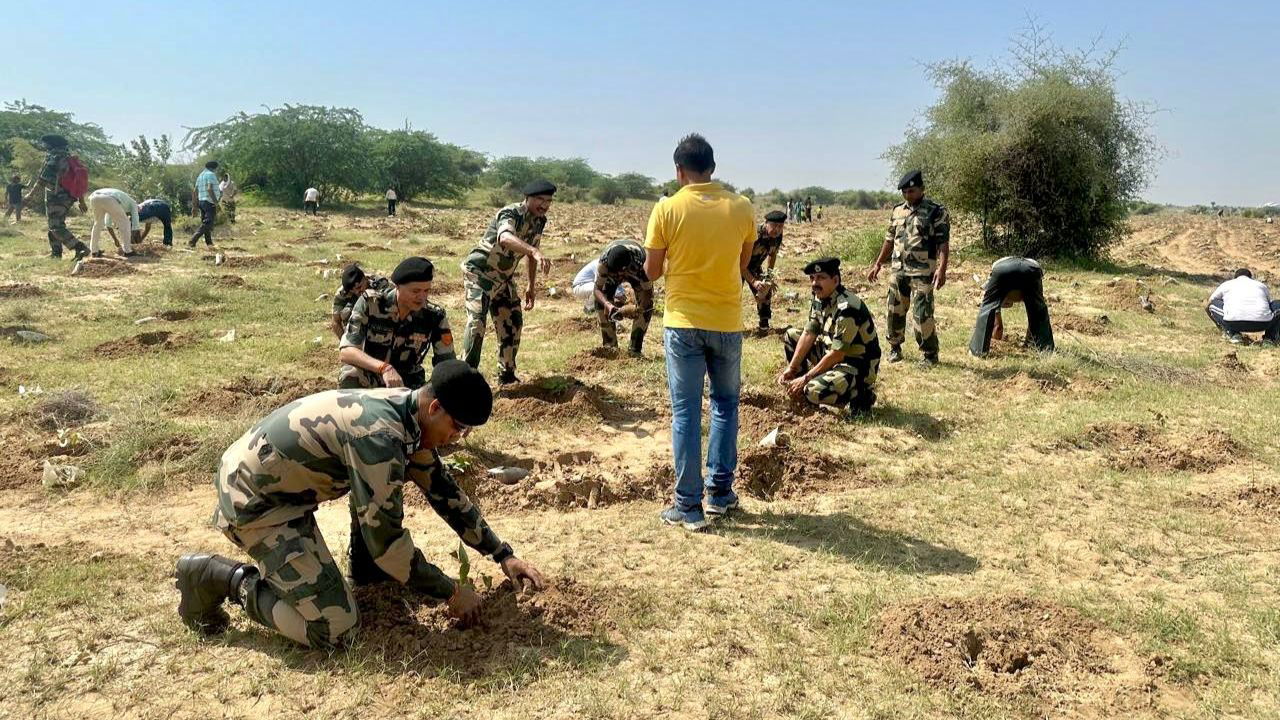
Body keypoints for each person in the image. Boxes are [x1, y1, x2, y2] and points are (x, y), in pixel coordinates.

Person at [174, 361, 547, 649]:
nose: (457, 438)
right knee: (335, 630)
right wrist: (451, 592)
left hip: (284, 490)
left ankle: (364, 575)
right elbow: (386, 542)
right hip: (255, 501)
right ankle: (219, 578)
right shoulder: (380, 436)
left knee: (376, 502)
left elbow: (445, 493)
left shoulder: (408, 414)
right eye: (459, 428)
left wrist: (503, 555)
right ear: (435, 407)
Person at [645, 133, 755, 531]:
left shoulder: (667, 209)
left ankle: (687, 506)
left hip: (683, 323)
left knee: (686, 412)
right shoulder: (741, 207)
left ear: (679, 171)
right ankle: (720, 494)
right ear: (713, 167)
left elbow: (652, 271)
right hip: (727, 322)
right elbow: (743, 262)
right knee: (725, 406)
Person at [460, 180, 554, 384]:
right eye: (540, 199)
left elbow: (530, 253)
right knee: (477, 324)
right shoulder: (510, 213)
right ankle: (465, 379)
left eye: (548, 201)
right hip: (480, 274)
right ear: (527, 198)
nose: (544, 205)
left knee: (512, 322)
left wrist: (531, 285)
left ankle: (507, 375)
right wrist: (533, 250)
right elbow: (505, 238)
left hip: (503, 279)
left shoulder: (540, 220)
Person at [867, 169, 950, 366]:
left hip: (923, 271)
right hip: (898, 269)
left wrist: (942, 269)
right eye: (904, 192)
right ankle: (895, 348)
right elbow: (889, 239)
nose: (907, 195)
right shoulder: (897, 211)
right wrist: (878, 263)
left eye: (911, 191)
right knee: (894, 310)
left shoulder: (936, 211)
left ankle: (930, 354)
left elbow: (943, 243)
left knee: (922, 314)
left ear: (922, 189)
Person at [779, 257, 880, 415]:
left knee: (811, 390)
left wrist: (806, 378)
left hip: (855, 366)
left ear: (835, 280)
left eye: (821, 278)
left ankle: (861, 395)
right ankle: (798, 391)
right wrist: (791, 369)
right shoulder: (819, 297)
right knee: (791, 335)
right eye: (812, 278)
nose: (814, 283)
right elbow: (809, 332)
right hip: (831, 355)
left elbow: (837, 354)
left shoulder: (847, 308)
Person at [338, 256, 454, 389]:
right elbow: (347, 351)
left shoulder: (434, 316)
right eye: (415, 291)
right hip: (373, 376)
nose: (422, 297)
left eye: (426, 291)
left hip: (409, 384)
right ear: (398, 287)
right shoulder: (371, 304)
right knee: (349, 374)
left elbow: (448, 364)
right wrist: (384, 368)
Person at [969, 256, 1054, 357]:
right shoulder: (1025, 287)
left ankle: (978, 351)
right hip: (1032, 269)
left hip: (1003, 269)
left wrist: (995, 343)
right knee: (1038, 310)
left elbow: (998, 327)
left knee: (988, 307)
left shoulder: (998, 284)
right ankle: (1043, 349)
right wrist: (1028, 343)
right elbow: (1034, 317)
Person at [23, 135, 91, 261]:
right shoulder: (68, 158)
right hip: (67, 197)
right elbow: (77, 183)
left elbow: (42, 180)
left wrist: (29, 196)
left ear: (51, 145)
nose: (44, 146)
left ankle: (80, 247)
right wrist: (81, 201)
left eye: (46, 144)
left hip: (56, 197)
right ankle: (56, 253)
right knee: (54, 224)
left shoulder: (54, 158)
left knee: (56, 226)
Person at [593, 239, 654, 355]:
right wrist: (607, 304)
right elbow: (597, 289)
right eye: (615, 273)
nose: (619, 276)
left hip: (635, 273)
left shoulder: (641, 263)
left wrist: (639, 309)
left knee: (647, 306)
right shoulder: (604, 263)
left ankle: (635, 349)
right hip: (615, 274)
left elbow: (648, 291)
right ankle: (610, 347)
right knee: (600, 303)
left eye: (620, 273)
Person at [1205, 269, 1280, 345]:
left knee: (1213, 303)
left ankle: (1233, 334)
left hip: (1233, 323)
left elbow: (1209, 302)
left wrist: (1218, 324)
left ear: (1235, 277)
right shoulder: (1261, 286)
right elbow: (1268, 304)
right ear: (1250, 277)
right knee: (1277, 304)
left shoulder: (1227, 284)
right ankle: (1270, 338)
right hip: (1262, 324)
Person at [745, 210, 786, 331]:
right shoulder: (754, 234)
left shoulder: (777, 236)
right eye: (774, 226)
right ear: (766, 223)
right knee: (733, 295)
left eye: (781, 227)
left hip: (755, 266)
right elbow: (740, 262)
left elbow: (772, 255)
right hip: (737, 266)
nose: (777, 230)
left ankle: (764, 325)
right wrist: (753, 281)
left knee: (765, 290)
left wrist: (769, 276)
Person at [330, 263, 392, 338]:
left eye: (359, 287)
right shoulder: (342, 293)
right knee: (346, 312)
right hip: (356, 328)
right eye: (352, 291)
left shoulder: (381, 284)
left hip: (380, 324)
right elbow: (335, 322)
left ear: (365, 279)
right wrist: (346, 344)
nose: (357, 292)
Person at [86, 187, 141, 257]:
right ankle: (128, 251)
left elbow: (108, 222)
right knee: (125, 223)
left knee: (98, 223)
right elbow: (135, 220)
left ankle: (94, 250)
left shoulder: (123, 202)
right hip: (109, 198)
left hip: (94, 197)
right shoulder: (134, 204)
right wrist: (135, 231)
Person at [189, 160, 221, 248]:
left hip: (201, 202)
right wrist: (216, 203)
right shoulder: (211, 175)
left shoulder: (200, 176)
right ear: (214, 168)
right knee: (208, 223)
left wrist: (194, 206)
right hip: (209, 201)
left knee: (205, 222)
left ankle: (209, 243)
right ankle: (193, 240)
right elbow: (210, 189)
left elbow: (195, 191)